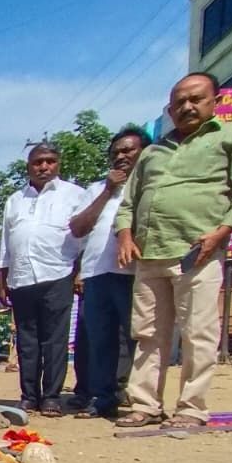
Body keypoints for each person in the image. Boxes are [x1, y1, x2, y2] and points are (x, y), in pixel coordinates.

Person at [115, 72, 232, 428]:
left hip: (197, 251)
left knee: (198, 333)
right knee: (148, 333)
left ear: (216, 101)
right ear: (169, 108)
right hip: (150, 253)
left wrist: (220, 233)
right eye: (180, 102)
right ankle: (145, 404)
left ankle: (191, 408)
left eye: (196, 99)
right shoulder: (153, 152)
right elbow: (128, 203)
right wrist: (124, 235)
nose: (187, 107)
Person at [0, 142, 89, 417]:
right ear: (29, 166)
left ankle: (51, 396)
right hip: (22, 277)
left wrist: (79, 272)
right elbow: (6, 243)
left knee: (55, 340)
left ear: (58, 164)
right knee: (27, 341)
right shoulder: (15, 199)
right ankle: (28, 396)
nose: (44, 167)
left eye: (49, 161)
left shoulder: (74, 195)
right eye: (38, 162)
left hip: (57, 273)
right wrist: (2, 279)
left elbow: (84, 238)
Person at [68, 126, 151, 419]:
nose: (121, 156)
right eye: (116, 152)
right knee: (99, 340)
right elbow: (78, 228)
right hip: (96, 275)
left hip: (135, 273)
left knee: (136, 337)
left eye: (128, 150)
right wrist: (108, 190)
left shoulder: (150, 185)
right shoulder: (95, 189)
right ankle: (103, 398)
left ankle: (137, 397)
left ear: (145, 152)